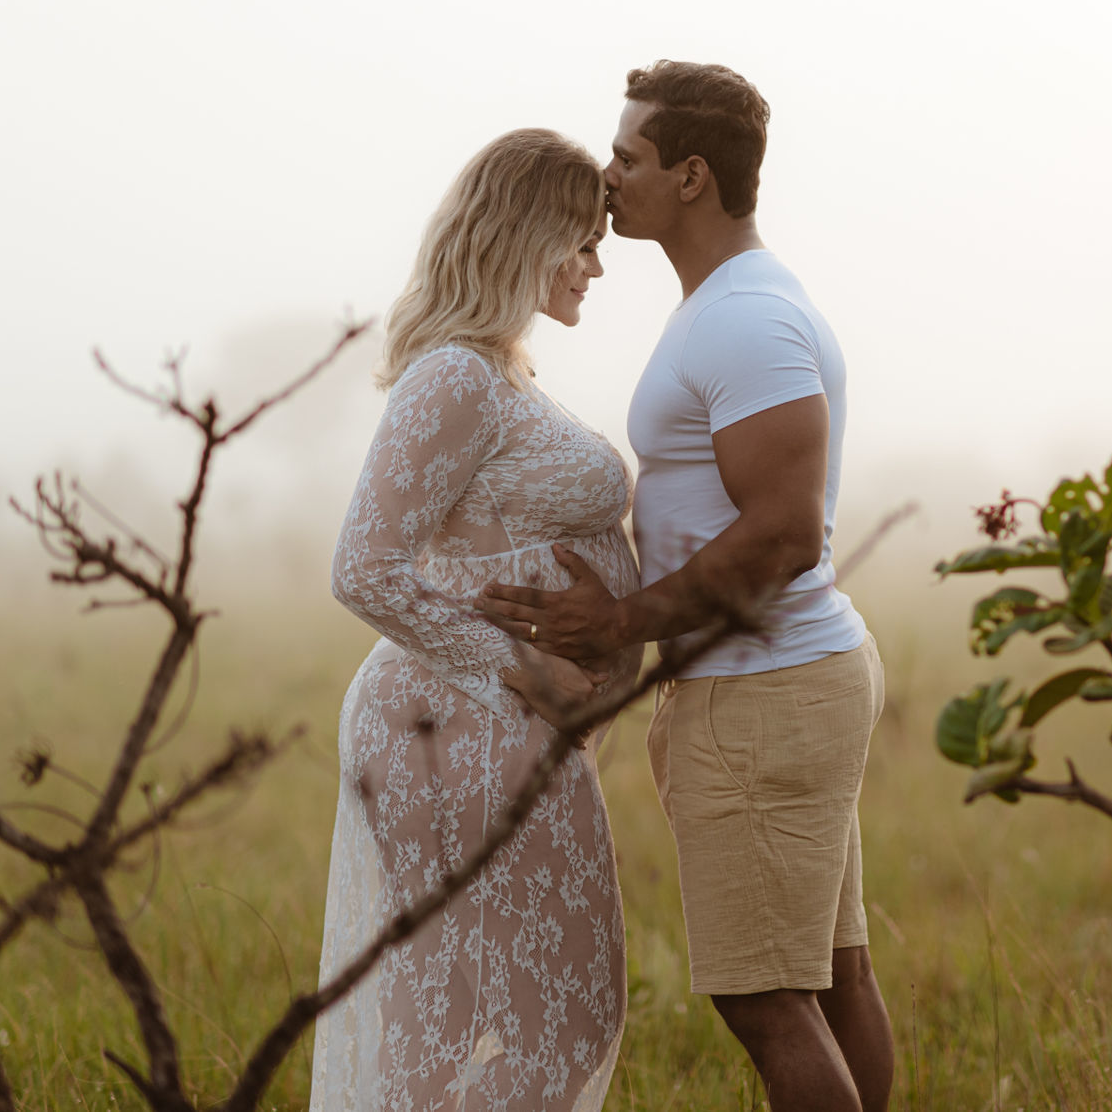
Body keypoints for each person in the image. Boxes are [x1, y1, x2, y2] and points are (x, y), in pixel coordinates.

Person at [476, 61, 895, 1112]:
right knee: (831, 977)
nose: (610, 177)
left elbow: (783, 533)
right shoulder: (726, 304)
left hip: (765, 688)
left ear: (693, 177)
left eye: (630, 157)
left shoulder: (744, 321)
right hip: (779, 681)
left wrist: (623, 618)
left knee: (765, 1000)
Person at [310, 128, 636, 1112]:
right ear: (524, 234)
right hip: (451, 720)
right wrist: (524, 670)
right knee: (543, 1019)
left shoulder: (502, 370)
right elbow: (363, 566)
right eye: (581, 239)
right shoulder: (453, 374)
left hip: (494, 725)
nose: (597, 262)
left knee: (474, 1021)